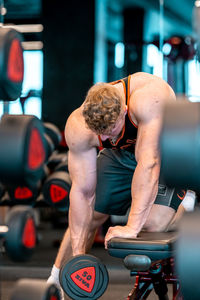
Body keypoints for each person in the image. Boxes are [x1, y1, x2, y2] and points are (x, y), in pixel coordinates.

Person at [47, 72, 195, 298]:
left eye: (112, 130)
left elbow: (148, 165)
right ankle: (56, 278)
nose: (106, 140)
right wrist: (77, 259)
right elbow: (82, 193)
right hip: (122, 155)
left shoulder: (149, 99)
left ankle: (185, 203)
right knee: (92, 213)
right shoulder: (79, 126)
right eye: (101, 135)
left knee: (152, 224)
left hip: (165, 152)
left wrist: (131, 227)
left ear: (124, 111)